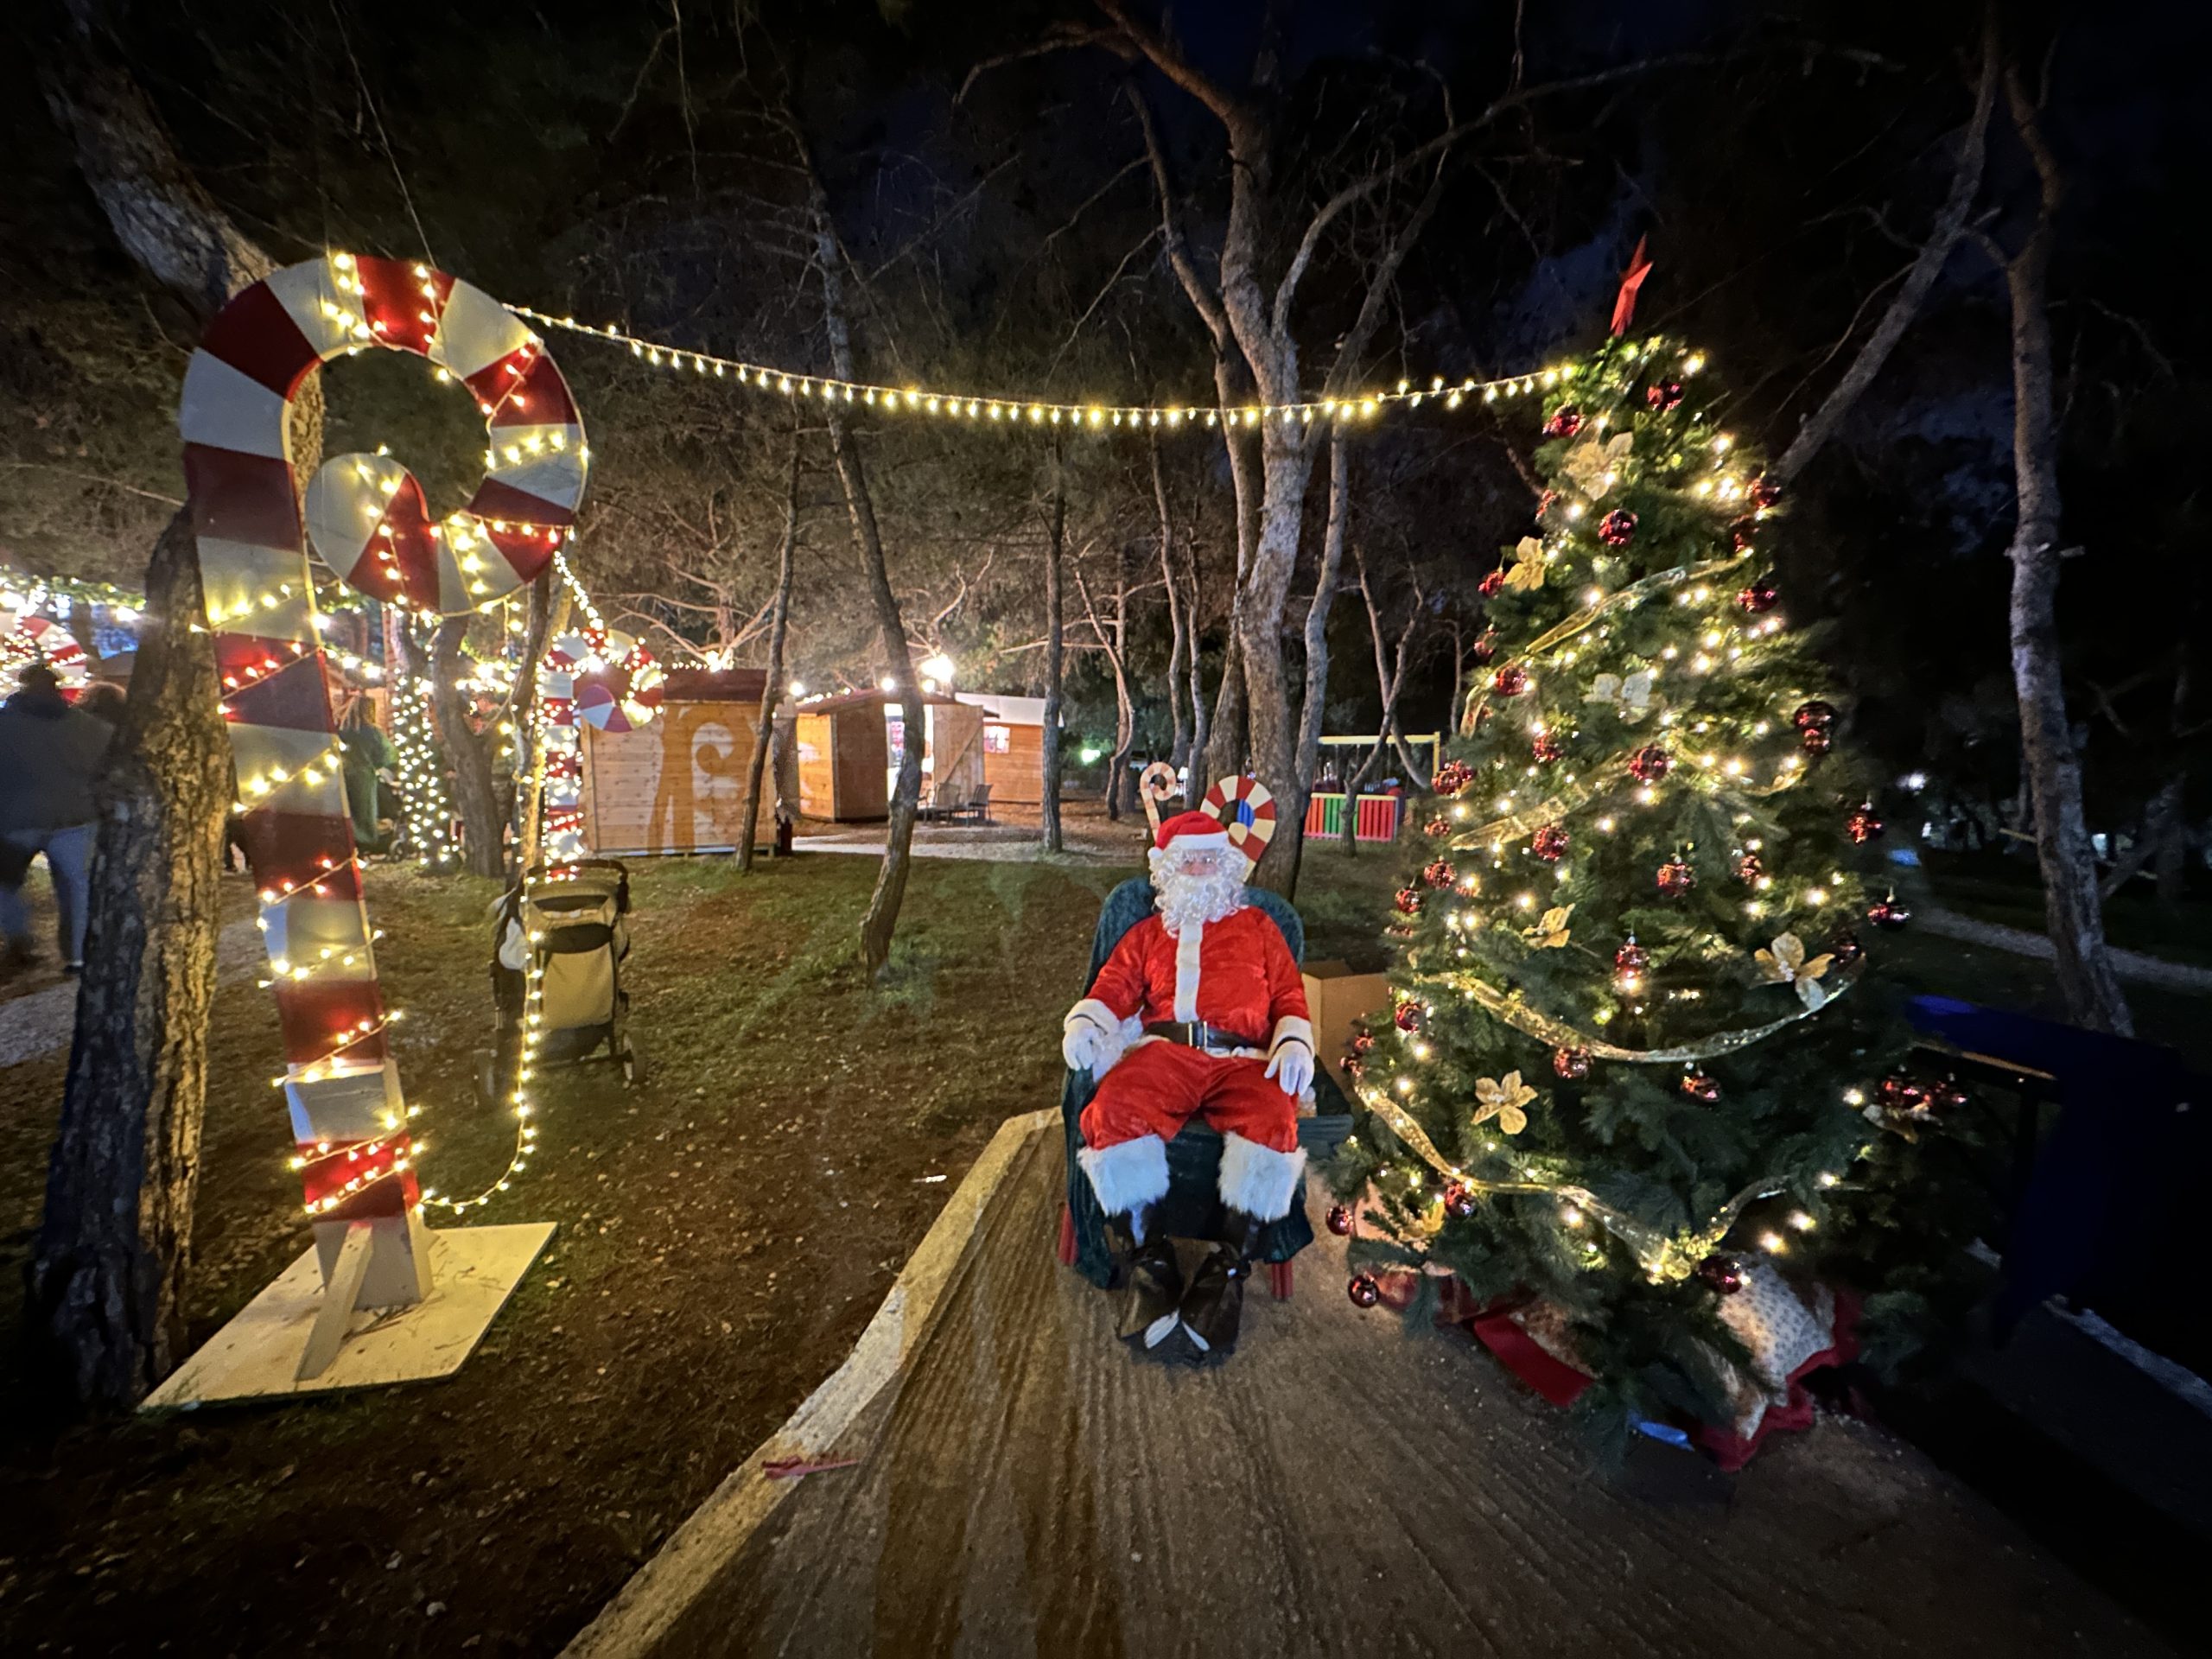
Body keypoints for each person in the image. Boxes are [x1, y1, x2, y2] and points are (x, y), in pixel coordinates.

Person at [1062, 810, 1315, 1361]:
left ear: (1226, 866)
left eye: (1209, 858)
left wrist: (1294, 1041)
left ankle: (1225, 1274)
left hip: (1244, 1059)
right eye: (1188, 860)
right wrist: (1087, 1022)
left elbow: (1291, 997)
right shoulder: (1149, 933)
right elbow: (1114, 985)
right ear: (1168, 870)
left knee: (1274, 1121)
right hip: (1167, 1053)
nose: (1200, 868)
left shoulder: (1260, 929)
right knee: (1114, 1109)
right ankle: (1150, 1266)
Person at [0, 663, 115, 973]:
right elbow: (108, 759)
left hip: (15, 821)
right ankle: (77, 956)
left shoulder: (4, 724)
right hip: (75, 817)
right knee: (77, 887)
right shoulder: (87, 726)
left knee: (5, 884)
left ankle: (19, 935)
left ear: (22, 687)